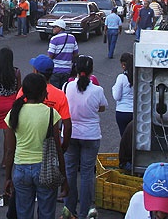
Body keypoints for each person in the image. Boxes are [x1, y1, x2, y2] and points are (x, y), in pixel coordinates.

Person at [4, 73, 68, 219]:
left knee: (24, 213)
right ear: (42, 94)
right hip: (45, 170)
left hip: (20, 169)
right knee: (46, 212)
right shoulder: (50, 113)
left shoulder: (14, 113)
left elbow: (9, 151)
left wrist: (8, 177)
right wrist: (64, 178)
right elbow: (58, 149)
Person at [61, 56, 107, 219]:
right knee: (87, 173)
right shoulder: (97, 90)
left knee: (70, 171)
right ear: (91, 72)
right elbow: (102, 107)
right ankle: (83, 212)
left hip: (70, 133)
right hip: (90, 135)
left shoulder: (67, 86)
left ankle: (68, 209)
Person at [47, 19, 80, 89]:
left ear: (60, 28)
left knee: (55, 92)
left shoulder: (54, 39)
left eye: (54, 27)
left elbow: (50, 56)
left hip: (55, 70)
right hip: (68, 70)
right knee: (64, 90)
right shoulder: (72, 38)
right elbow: (76, 54)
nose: (53, 29)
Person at [112, 52, 134, 136]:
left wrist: (113, 88)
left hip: (122, 112)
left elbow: (116, 96)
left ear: (123, 64)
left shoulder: (121, 77)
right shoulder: (137, 77)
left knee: (124, 138)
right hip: (134, 112)